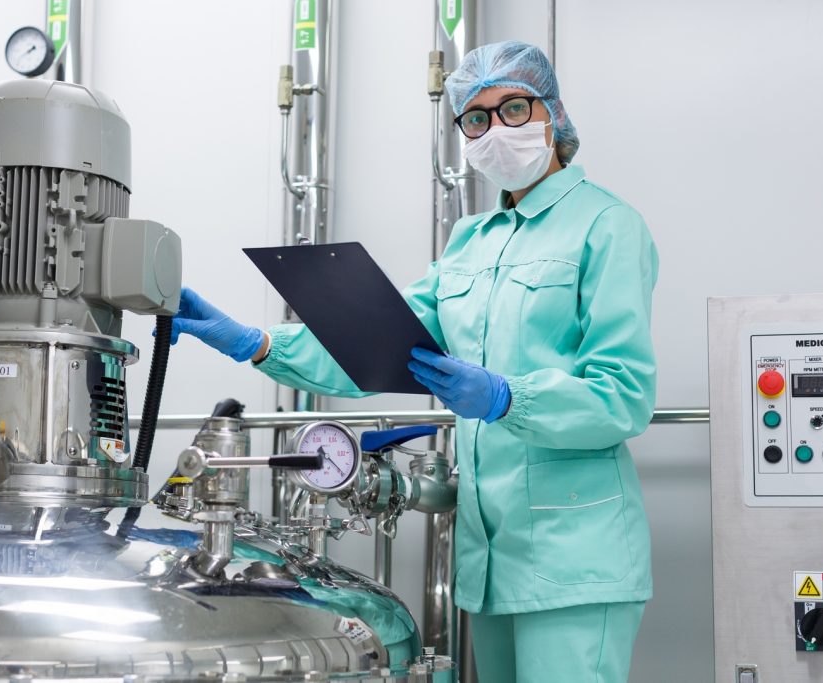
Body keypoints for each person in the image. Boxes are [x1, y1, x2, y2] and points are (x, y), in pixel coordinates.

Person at [170, 40, 657, 683]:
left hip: (575, 557)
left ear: (552, 113)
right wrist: (256, 343)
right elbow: (377, 345)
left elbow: (623, 395)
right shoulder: (471, 242)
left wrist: (511, 398)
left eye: (513, 108)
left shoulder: (606, 225)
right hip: (491, 557)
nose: (495, 130)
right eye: (476, 118)